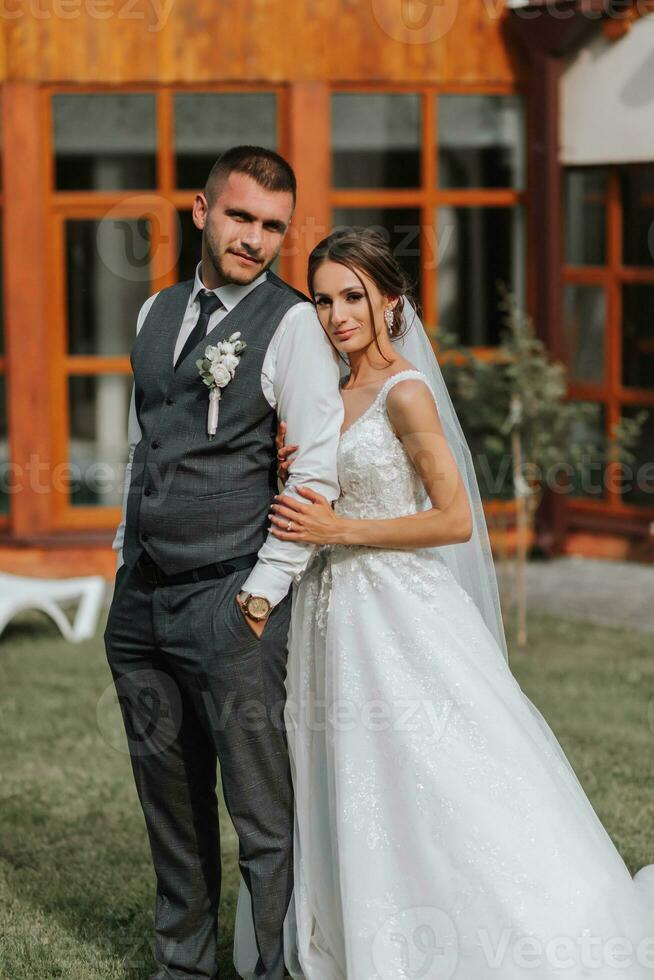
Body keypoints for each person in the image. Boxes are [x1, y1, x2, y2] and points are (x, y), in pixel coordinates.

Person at [267, 228, 654, 980]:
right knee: (351, 776)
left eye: (354, 296)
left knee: (441, 774)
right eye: (322, 299)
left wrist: (340, 526)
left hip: (402, 616)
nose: (337, 314)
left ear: (390, 300)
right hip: (332, 613)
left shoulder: (405, 393)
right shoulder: (326, 393)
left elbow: (454, 518)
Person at [104, 146, 344, 980]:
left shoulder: (291, 324)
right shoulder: (156, 312)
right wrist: (120, 560)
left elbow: (316, 470)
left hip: (230, 604)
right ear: (201, 210)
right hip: (141, 603)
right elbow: (148, 441)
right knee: (169, 806)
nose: (255, 238)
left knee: (260, 816)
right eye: (241, 217)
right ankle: (185, 968)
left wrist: (261, 592)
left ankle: (274, 970)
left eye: (273, 226)